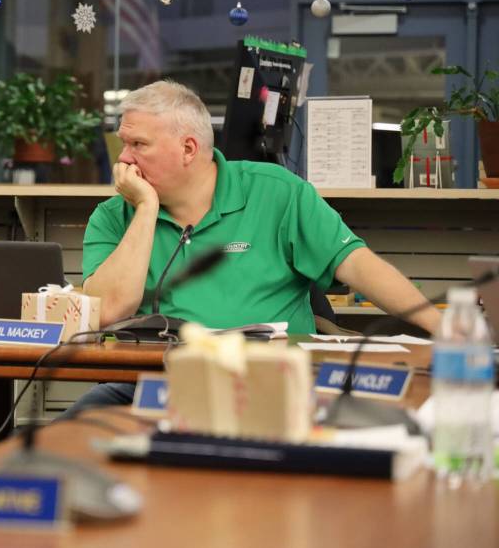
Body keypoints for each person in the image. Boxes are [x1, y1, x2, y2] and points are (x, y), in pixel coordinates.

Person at [71, 80, 441, 411]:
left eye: (138, 145)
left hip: (269, 381)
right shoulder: (113, 216)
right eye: (124, 144)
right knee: (70, 435)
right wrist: (146, 209)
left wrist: (444, 329)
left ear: (188, 148)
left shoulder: (277, 192)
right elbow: (107, 312)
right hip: (152, 382)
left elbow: (358, 265)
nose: (124, 159)